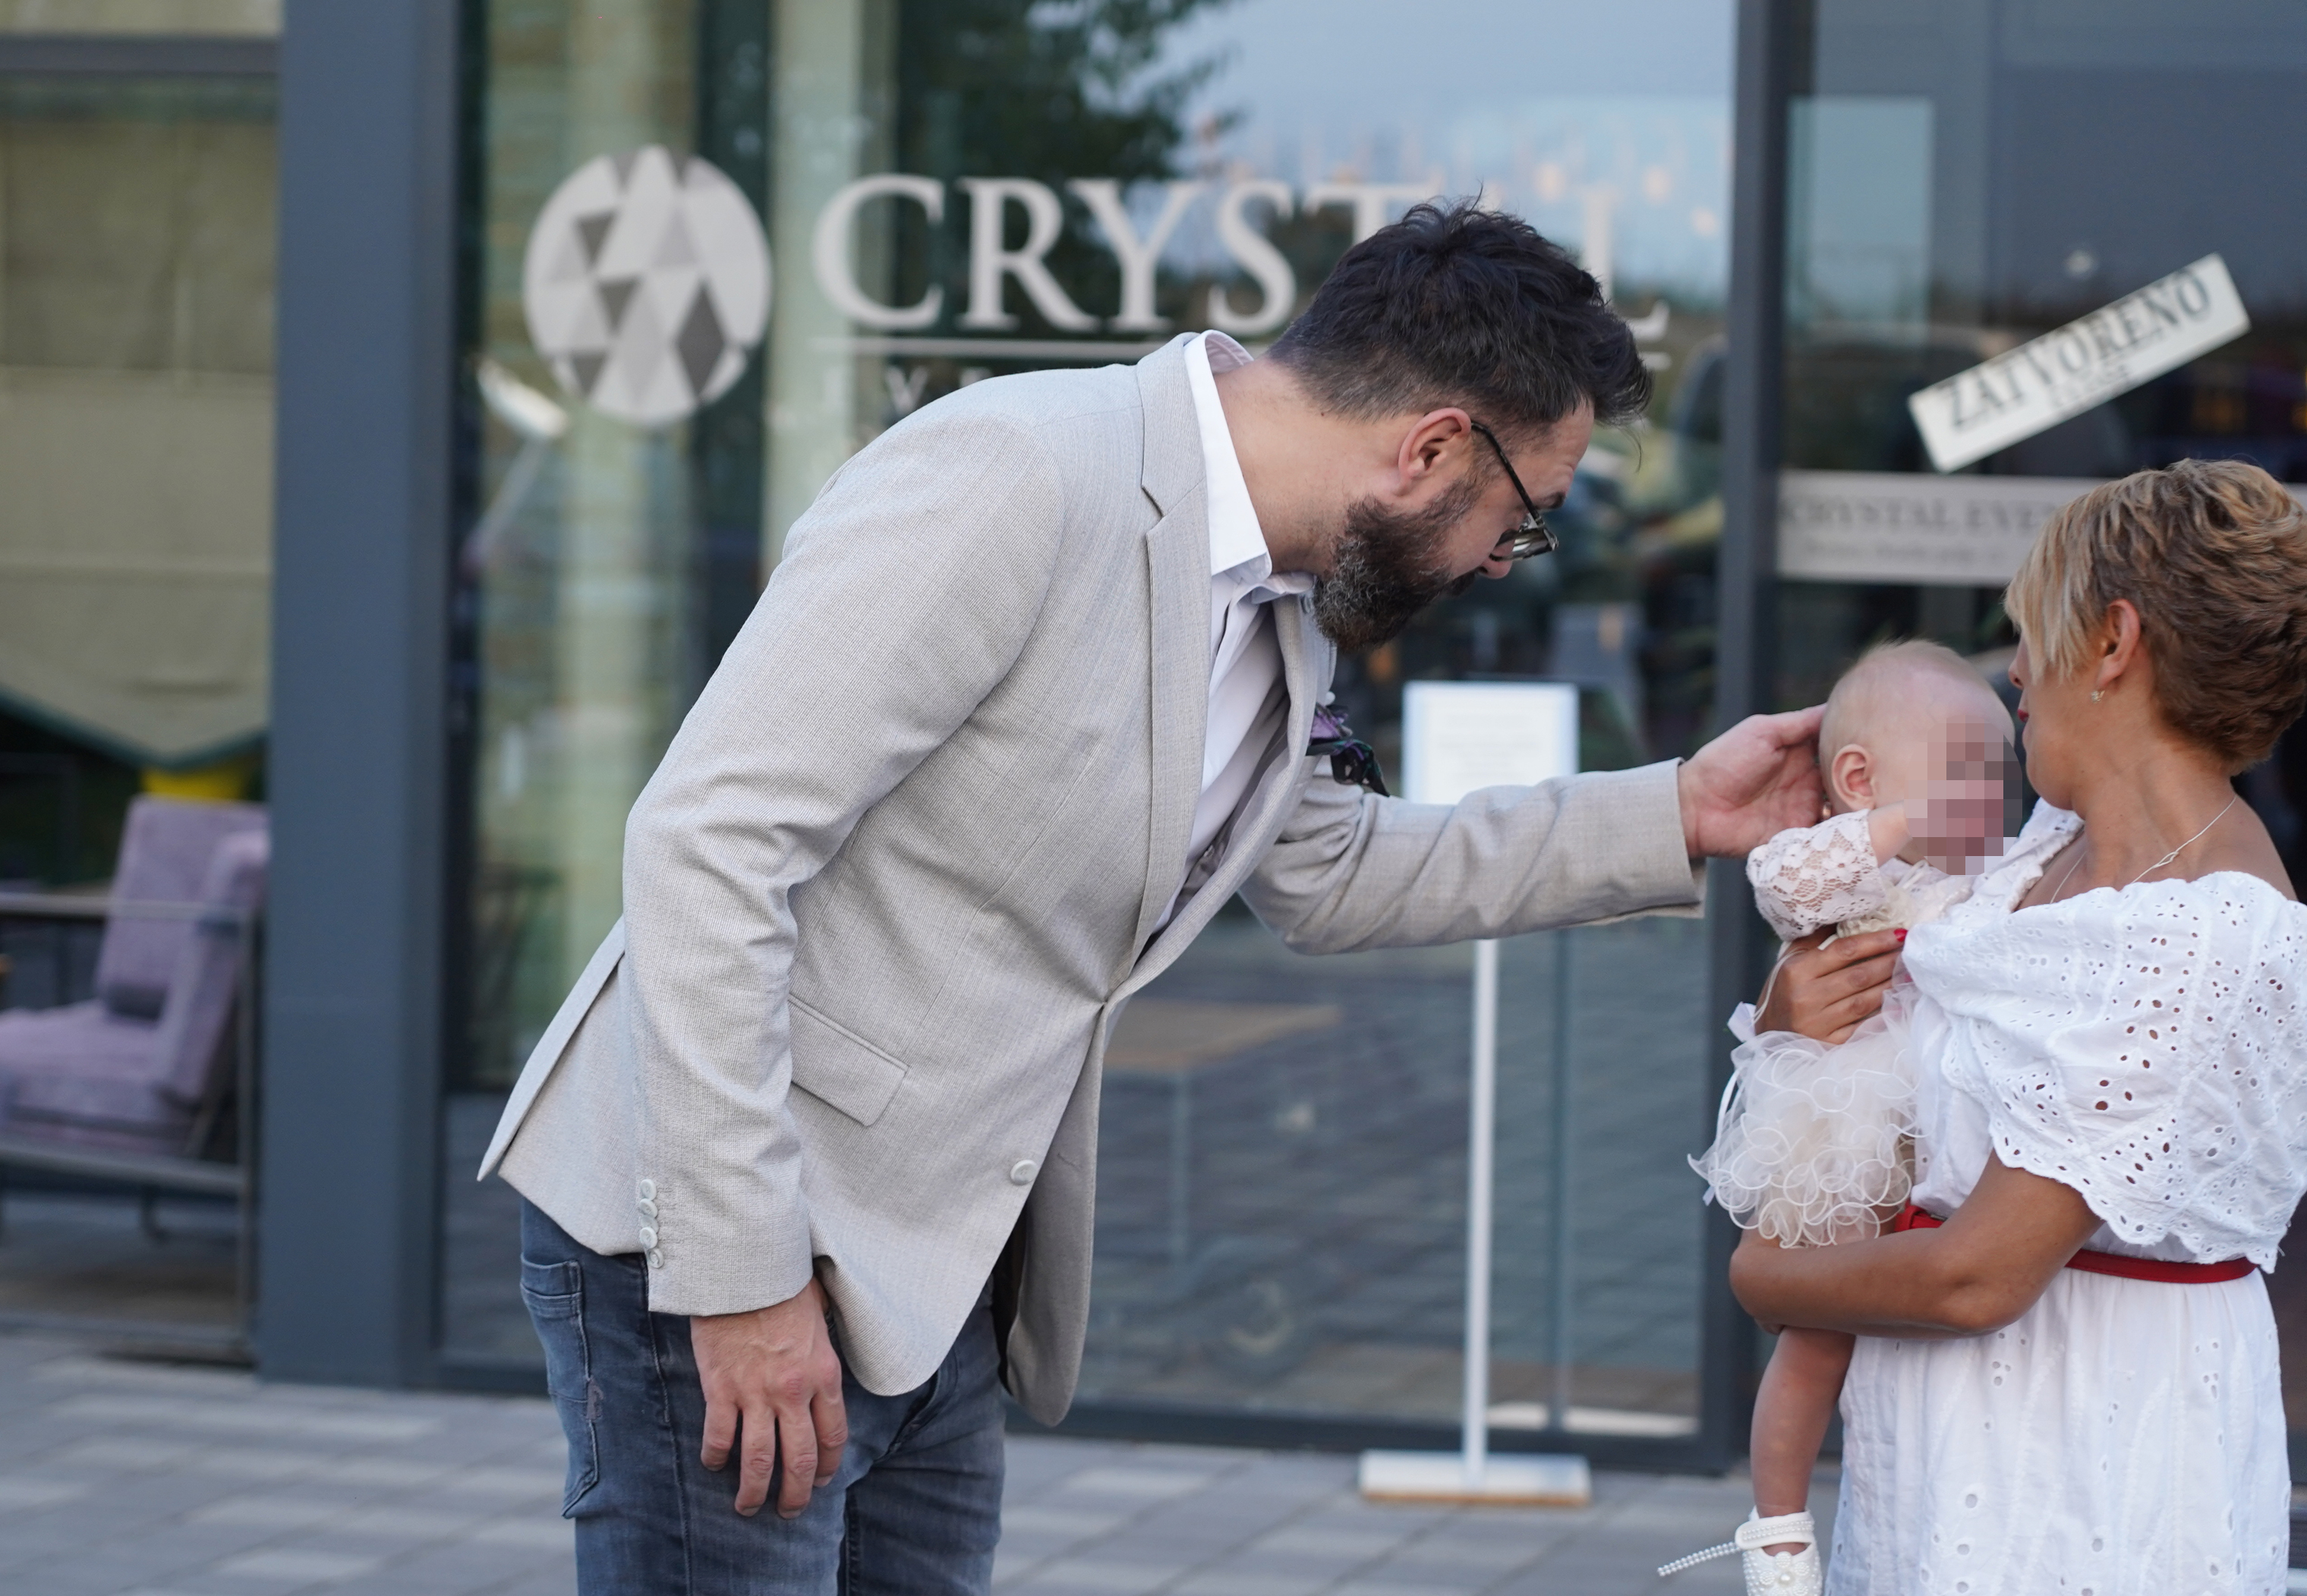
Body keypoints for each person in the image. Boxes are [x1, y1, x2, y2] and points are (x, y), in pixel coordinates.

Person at [480, 201, 1828, 1594]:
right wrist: (747, 1281)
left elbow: (1328, 871)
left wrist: (1676, 811)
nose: (1504, 559)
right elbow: (709, 842)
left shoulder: (1284, 599)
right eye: (1519, 519)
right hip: (724, 1240)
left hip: (936, 1270)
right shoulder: (1017, 472)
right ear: (1431, 448)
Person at [1730, 460, 2307, 1596]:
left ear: (2113, 643)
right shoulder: (2036, 850)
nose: (2015, 672)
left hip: (2089, 1479)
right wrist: (1797, 1016)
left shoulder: (2206, 936)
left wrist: (1762, 1282)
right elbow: (1889, 1076)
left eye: (2031, 630)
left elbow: (1978, 1276)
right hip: (1934, 1466)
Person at [1676, 641, 2019, 1592]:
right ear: (1859, 779)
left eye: (2000, 776)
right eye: (1966, 769)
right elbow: (1783, 884)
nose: (1988, 796)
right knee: (1816, 1337)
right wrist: (1897, 823)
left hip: (1947, 1144)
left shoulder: (1988, 879)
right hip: (1853, 1126)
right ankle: (1777, 1522)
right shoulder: (1853, 862)